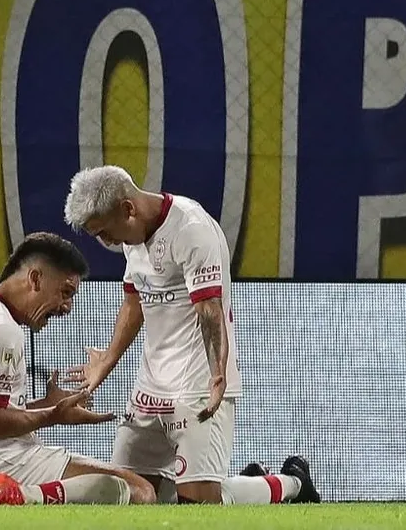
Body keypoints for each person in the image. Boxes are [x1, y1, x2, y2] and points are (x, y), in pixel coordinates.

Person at [62, 165, 320, 505]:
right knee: (130, 496)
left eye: (106, 232)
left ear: (128, 209)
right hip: (149, 391)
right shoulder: (132, 237)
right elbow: (134, 301)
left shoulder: (191, 230)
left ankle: (292, 484)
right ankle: (248, 482)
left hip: (197, 385)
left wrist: (217, 376)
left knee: (199, 506)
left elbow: (209, 310)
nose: (105, 242)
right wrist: (105, 363)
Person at [0, 232, 156, 507]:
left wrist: (43, 404)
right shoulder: (3, 330)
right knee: (140, 491)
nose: (67, 307)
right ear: (35, 278)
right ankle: (17, 497)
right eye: (65, 292)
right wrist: (53, 415)